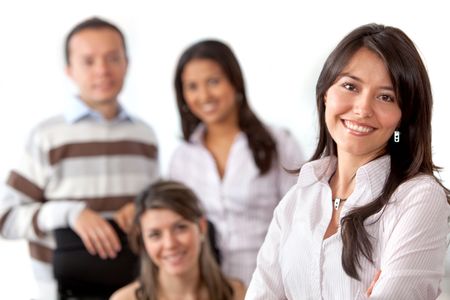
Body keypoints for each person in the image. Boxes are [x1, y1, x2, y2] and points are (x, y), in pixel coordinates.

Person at [245, 23, 450, 299]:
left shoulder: (420, 198)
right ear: (325, 94)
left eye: (386, 97)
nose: (363, 108)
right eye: (350, 86)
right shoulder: (296, 201)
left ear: (404, 118)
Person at [0, 17, 159, 299]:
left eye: (113, 58)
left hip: (136, 291)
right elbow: (6, 218)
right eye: (88, 61)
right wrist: (69, 214)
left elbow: (158, 216)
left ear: (127, 63)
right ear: (70, 70)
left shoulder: (144, 137)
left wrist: (142, 209)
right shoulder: (47, 136)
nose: (102, 70)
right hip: (64, 292)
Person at [168, 39, 304, 285]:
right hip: (206, 285)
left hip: (271, 280)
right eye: (192, 87)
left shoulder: (278, 143)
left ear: (234, 82)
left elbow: (302, 217)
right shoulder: (182, 158)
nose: (204, 95)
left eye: (213, 81)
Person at [110, 180, 246, 300]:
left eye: (180, 228)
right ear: (143, 240)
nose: (170, 244)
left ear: (202, 228)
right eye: (155, 235)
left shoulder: (238, 294)